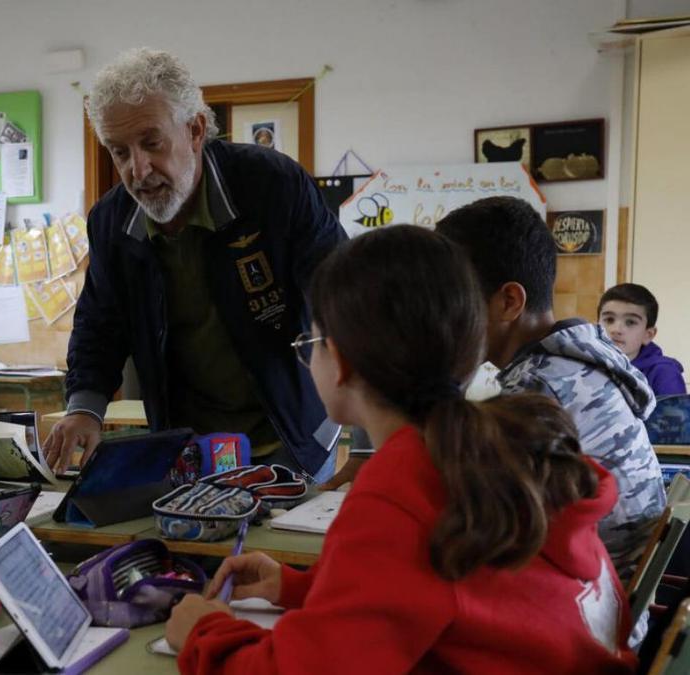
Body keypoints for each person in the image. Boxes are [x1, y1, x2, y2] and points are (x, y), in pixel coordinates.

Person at [165, 225, 636, 674]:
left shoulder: (403, 485)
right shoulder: (495, 442)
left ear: (342, 362)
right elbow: (439, 590)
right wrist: (299, 586)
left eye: (310, 342)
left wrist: (204, 633)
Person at [44, 48, 347, 479]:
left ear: (196, 130)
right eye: (119, 152)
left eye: (152, 143)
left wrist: (367, 436)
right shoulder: (111, 222)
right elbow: (99, 324)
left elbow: (344, 298)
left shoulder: (273, 185)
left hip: (293, 437)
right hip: (188, 449)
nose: (138, 169)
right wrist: (85, 410)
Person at [436, 196, 665, 582]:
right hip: (620, 589)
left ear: (508, 301)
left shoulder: (535, 389)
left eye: (453, 298)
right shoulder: (582, 357)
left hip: (592, 602)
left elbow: (485, 532)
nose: (444, 316)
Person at [599, 282, 686, 397]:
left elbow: (674, 414)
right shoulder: (581, 364)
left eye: (630, 322)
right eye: (609, 320)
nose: (616, 329)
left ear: (648, 335)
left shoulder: (665, 374)